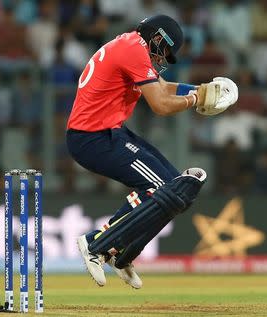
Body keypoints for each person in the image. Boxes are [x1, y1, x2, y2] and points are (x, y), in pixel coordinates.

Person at [66, 15, 238, 288]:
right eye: (165, 51)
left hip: (107, 132)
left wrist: (201, 90)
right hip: (93, 138)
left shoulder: (130, 45)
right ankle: (96, 244)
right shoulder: (133, 49)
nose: (162, 59)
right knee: (163, 189)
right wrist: (196, 99)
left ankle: (122, 255)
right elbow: (161, 105)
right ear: (157, 38)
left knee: (176, 190)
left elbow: (162, 87)